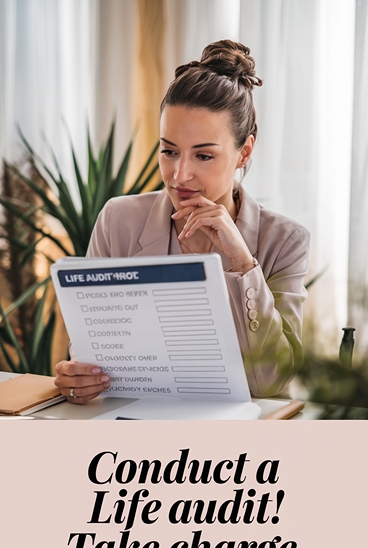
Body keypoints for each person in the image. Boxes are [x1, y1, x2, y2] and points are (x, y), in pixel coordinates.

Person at [54, 39, 310, 403]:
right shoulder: (117, 221)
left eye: (203, 156)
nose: (179, 175)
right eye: (169, 151)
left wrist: (241, 262)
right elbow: (89, 355)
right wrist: (80, 378)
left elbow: (272, 383)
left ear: (245, 152)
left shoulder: (285, 241)